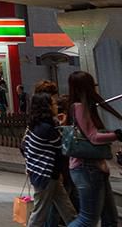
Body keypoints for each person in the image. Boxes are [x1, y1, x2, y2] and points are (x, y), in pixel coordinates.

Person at [66, 71, 122, 227]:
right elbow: (93, 137)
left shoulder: (83, 106)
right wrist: (116, 135)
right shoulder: (80, 107)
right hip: (86, 168)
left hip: (94, 167)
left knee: (110, 218)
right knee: (87, 219)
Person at [23, 93, 77, 227]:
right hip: (46, 175)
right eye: (53, 104)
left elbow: (24, 146)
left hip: (43, 174)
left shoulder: (35, 125)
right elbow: (61, 148)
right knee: (40, 213)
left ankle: (76, 224)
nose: (56, 106)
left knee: (66, 208)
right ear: (46, 107)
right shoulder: (47, 128)